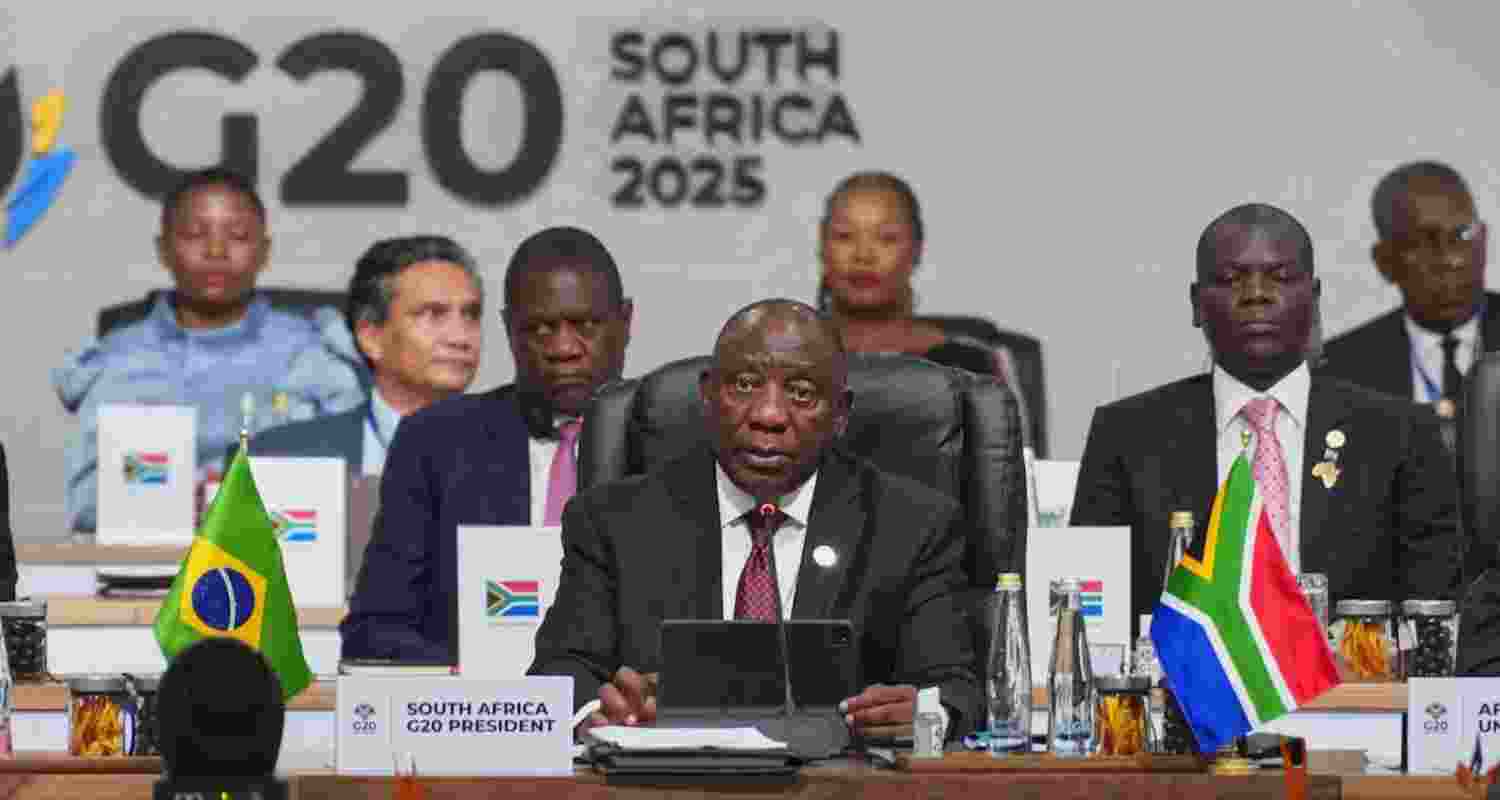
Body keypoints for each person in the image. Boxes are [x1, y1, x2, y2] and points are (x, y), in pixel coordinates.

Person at [531, 299, 981, 739]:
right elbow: (561, 670)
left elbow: (955, 688)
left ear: (840, 415)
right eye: (744, 385)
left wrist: (924, 714)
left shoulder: (912, 526)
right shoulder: (613, 523)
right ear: (708, 394)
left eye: (802, 393)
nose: (769, 415)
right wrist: (599, 715)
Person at [1071, 203, 1460, 635]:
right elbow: (1092, 618)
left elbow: (1434, 609)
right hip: (1182, 695)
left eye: (1280, 277)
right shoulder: (1126, 435)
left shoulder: (1400, 433)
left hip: (1355, 695)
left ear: (1312, 300)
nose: (1256, 293)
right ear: (1197, 304)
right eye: (1232, 278)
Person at [339, 226, 632, 662]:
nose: (563, 348)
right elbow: (375, 627)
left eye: (585, 326)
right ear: (509, 329)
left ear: (625, 323)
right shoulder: (436, 442)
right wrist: (468, 683)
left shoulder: (674, 441)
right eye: (539, 329)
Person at [52, 168, 364, 533]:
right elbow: (86, 507)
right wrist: (173, 504)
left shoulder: (313, 352)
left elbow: (356, 489)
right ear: (163, 249)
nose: (216, 251)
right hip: (147, 567)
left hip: (284, 562)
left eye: (238, 236)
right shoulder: (116, 360)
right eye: (195, 234)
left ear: (264, 251)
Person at [816, 171, 1048, 455]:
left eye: (887, 238)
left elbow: (1016, 478)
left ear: (917, 249)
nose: (863, 255)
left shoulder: (977, 359)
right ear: (822, 244)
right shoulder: (782, 359)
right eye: (844, 236)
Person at [243, 236, 483, 473]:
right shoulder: (276, 459)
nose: (460, 337)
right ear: (371, 337)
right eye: (433, 314)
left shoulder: (515, 453)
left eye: (471, 315)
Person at [1321, 161, 1499, 423]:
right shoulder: (1338, 372)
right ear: (1385, 262)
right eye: (1424, 242)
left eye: (1462, 235)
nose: (1449, 259)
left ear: (1483, 239)